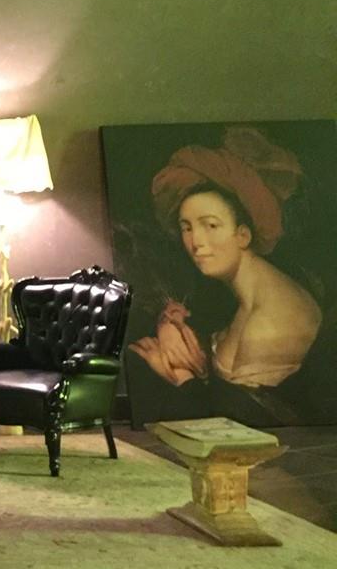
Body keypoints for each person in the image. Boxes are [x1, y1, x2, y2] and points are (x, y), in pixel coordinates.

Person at [127, 127, 323, 399]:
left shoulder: (267, 326)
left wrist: (181, 378)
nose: (196, 241)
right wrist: (169, 324)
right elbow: (193, 315)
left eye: (211, 225)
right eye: (187, 228)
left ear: (243, 235)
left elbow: (241, 418)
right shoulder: (233, 286)